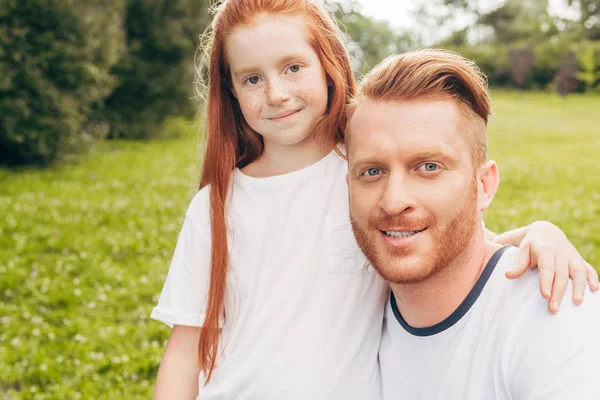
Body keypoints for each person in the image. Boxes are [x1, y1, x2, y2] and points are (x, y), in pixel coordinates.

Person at [150, 1, 598, 399]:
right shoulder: (218, 205)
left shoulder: (365, 171)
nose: (277, 93)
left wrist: (541, 234)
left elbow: (447, 244)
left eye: (292, 68)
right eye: (251, 78)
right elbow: (186, 347)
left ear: (328, 67)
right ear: (230, 92)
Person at [345, 49, 600, 399]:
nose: (393, 200)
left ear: (484, 185)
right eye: (372, 171)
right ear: (347, 187)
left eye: (428, 167)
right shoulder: (351, 304)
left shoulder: (554, 312)